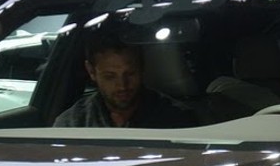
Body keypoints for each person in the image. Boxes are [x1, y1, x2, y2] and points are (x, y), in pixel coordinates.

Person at [53, 29, 196, 128]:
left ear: (142, 67)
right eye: (110, 77)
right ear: (91, 71)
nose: (122, 85)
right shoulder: (73, 124)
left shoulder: (176, 119)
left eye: (130, 74)